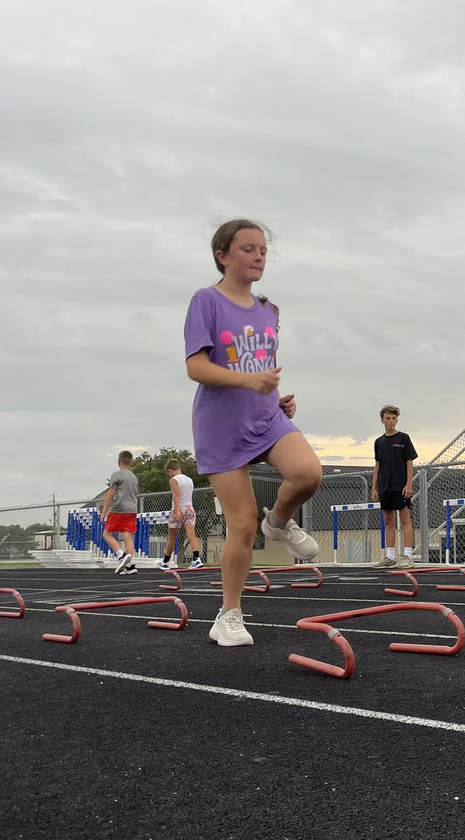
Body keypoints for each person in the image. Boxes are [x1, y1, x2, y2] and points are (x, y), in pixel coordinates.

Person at [185, 218, 322, 648]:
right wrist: (250, 382)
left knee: (308, 473)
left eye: (262, 249)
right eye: (247, 248)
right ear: (222, 255)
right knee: (241, 525)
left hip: (267, 417)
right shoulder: (205, 301)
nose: (258, 255)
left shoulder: (268, 311)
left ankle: (278, 521)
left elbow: (260, 366)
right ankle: (228, 614)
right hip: (222, 428)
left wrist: (276, 397)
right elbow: (196, 367)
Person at [371, 405, 418, 569]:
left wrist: (409, 483)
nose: (390, 421)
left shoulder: (404, 438)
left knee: (405, 519)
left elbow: (409, 462)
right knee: (388, 520)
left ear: (397, 419)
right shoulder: (378, 442)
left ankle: (407, 555)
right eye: (387, 418)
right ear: (382, 420)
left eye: (393, 418)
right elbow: (377, 465)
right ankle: (390, 556)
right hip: (385, 486)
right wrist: (374, 487)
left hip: (401, 486)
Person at [158, 459, 204, 570]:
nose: (168, 475)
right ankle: (196, 559)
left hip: (179, 508)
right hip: (190, 508)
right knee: (191, 534)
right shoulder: (189, 479)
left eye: (168, 473)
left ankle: (166, 561)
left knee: (172, 536)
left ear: (170, 470)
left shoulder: (174, 480)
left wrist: (176, 510)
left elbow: (177, 495)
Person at [100, 450, 140, 575]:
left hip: (119, 509)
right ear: (131, 462)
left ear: (119, 462)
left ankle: (121, 556)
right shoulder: (134, 477)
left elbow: (111, 494)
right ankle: (130, 566)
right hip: (132, 509)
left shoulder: (116, 475)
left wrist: (104, 512)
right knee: (127, 536)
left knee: (107, 534)